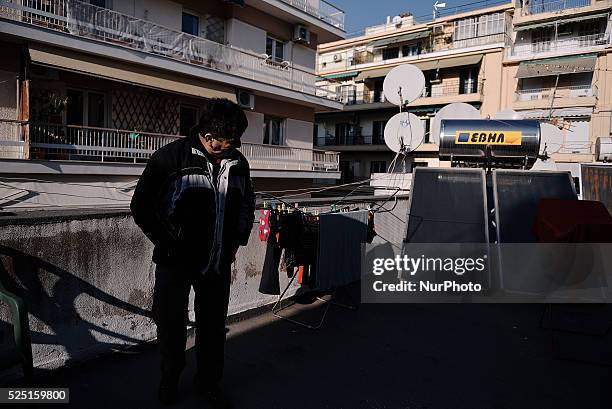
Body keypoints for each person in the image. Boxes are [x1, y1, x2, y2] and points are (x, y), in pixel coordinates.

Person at [130, 98, 255, 408]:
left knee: (213, 329)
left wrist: (237, 239)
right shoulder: (169, 159)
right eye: (222, 142)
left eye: (233, 142)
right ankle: (170, 379)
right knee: (171, 327)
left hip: (217, 261)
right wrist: (170, 242)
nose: (227, 147)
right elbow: (141, 206)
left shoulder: (238, 163)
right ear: (206, 133)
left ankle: (209, 383)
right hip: (174, 263)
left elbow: (247, 202)